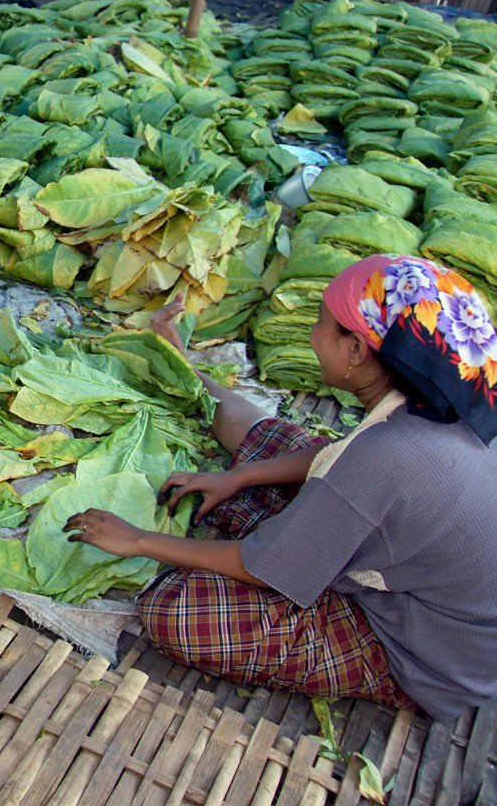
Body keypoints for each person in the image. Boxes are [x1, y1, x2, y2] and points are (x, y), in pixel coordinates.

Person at [65, 254, 497, 722]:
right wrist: (238, 475)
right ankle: (252, 487)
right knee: (269, 445)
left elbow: (264, 567)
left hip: (428, 651)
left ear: (355, 350)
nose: (312, 335)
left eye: (321, 324)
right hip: (415, 553)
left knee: (177, 613)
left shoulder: (385, 454)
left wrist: (140, 540)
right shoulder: (441, 398)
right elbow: (338, 457)